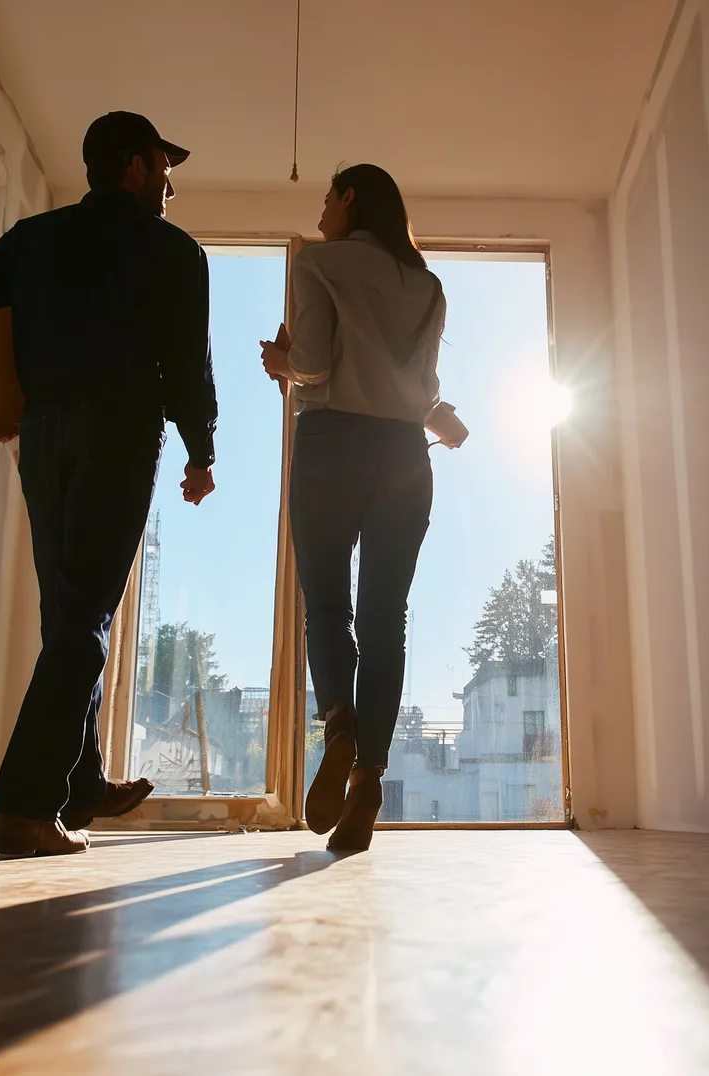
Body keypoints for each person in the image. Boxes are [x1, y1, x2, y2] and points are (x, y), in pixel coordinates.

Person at [0, 111, 218, 857]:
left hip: (47, 431)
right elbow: (189, 365)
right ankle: (26, 805)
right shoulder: (175, 252)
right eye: (164, 164)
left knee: (67, 609)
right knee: (85, 612)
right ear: (133, 165)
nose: (169, 181)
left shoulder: (35, 237)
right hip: (120, 431)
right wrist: (202, 452)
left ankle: (80, 784)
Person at [261, 164, 465, 853]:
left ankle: (341, 732)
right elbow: (423, 388)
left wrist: (284, 362)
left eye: (326, 199)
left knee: (326, 606)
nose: (321, 213)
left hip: (330, 445)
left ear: (350, 199)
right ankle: (370, 782)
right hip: (405, 455)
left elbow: (314, 366)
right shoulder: (428, 286)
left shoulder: (318, 262)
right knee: (386, 618)